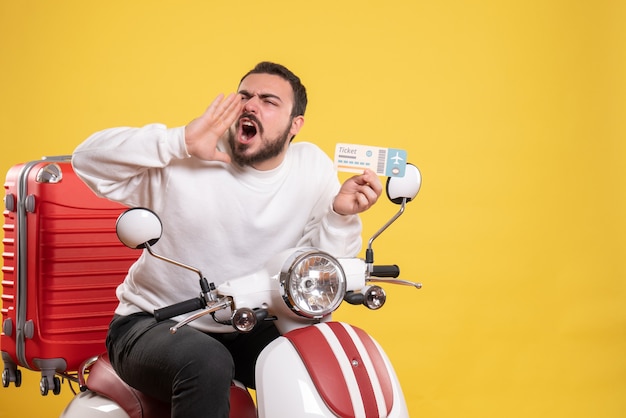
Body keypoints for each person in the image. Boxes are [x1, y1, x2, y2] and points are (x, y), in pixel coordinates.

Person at [72, 61, 382, 418]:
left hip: (248, 322)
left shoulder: (311, 167)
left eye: (268, 100)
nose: (251, 105)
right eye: (245, 96)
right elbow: (87, 161)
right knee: (207, 361)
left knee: (322, 352)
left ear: (295, 124)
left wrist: (340, 214)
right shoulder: (187, 157)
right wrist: (180, 141)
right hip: (153, 324)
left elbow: (319, 272)